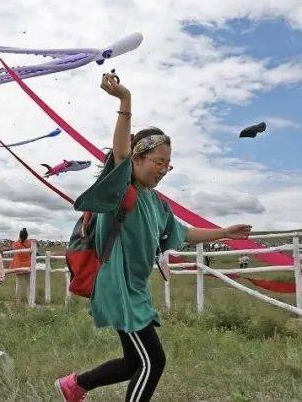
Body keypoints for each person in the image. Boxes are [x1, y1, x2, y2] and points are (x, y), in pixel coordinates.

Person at [56, 72, 252, 402]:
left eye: (167, 165)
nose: (162, 169)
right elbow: (119, 154)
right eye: (158, 162)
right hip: (117, 286)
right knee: (153, 361)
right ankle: (77, 386)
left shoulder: (156, 202)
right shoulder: (123, 188)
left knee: (135, 361)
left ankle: (75, 385)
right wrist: (125, 100)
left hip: (135, 289)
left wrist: (224, 232)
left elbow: (182, 232)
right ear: (138, 158)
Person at [9, 228, 34, 299]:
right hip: (28, 266)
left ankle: (18, 300)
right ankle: (30, 299)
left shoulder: (16, 244)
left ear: (20, 235)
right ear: (27, 235)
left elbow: (12, 246)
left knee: (19, 284)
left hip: (18, 266)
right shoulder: (30, 243)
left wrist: (19, 239)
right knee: (29, 284)